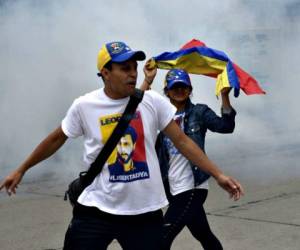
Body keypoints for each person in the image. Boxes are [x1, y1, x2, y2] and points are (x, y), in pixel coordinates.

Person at [0, 41, 243, 250]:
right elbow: (56, 138)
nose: (132, 73)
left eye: (134, 67)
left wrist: (218, 174)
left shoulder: (152, 102)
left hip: (144, 214)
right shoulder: (85, 105)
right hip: (96, 209)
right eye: (124, 68)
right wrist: (22, 169)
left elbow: (182, 141)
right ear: (105, 72)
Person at [141, 66, 236, 250]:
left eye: (183, 87)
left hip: (193, 187)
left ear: (190, 90)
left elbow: (226, 126)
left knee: (161, 239)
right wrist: (148, 80)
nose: (179, 90)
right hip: (172, 188)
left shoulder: (199, 112)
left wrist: (224, 95)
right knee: (204, 235)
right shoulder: (159, 115)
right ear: (167, 91)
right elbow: (135, 105)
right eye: (174, 87)